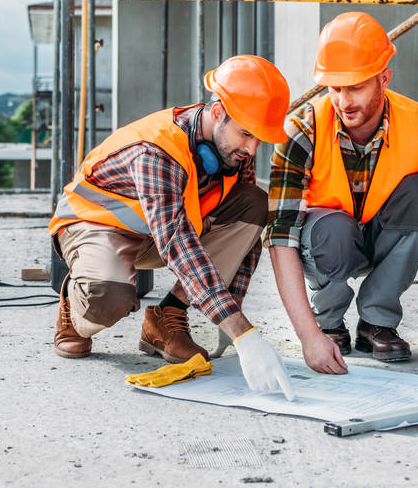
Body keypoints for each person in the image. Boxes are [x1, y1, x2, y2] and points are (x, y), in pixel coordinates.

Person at [49, 55, 295, 400]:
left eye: (259, 139)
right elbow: (177, 243)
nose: (251, 148)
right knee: (109, 300)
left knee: (253, 201)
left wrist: (231, 308)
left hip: (154, 235)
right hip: (95, 225)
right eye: (246, 133)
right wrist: (244, 333)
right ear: (217, 111)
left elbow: (245, 240)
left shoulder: (234, 150)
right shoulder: (157, 151)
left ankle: (166, 317)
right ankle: (74, 304)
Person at [267, 12, 418, 375]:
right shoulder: (301, 131)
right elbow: (281, 238)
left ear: (384, 78)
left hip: (385, 238)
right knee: (331, 226)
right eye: (334, 87)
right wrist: (308, 335)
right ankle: (329, 321)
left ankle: (376, 322)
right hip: (330, 241)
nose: (344, 101)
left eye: (356, 86)